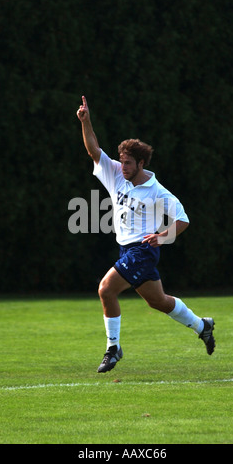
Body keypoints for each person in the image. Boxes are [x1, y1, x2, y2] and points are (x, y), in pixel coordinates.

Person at [76, 96, 215, 373]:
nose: (122, 166)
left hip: (143, 250)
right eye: (121, 161)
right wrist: (86, 121)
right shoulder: (116, 173)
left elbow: (183, 219)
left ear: (141, 163)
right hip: (127, 250)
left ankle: (113, 349)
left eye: (128, 163)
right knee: (159, 302)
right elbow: (94, 151)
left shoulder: (157, 191)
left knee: (106, 289)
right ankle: (203, 326)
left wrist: (162, 237)